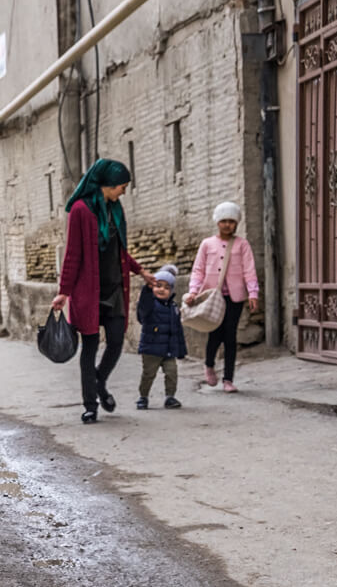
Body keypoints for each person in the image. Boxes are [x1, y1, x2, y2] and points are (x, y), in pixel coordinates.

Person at [52, 159, 155, 424]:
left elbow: (119, 251)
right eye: (121, 186)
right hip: (88, 292)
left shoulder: (115, 209)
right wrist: (64, 292)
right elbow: (73, 254)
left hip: (114, 290)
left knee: (117, 340)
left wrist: (140, 270)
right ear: (107, 184)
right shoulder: (80, 211)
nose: (124, 191)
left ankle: (98, 382)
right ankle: (90, 405)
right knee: (89, 347)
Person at [184, 202, 260, 393]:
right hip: (212, 296)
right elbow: (198, 269)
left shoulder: (242, 245)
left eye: (231, 222)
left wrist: (253, 293)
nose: (227, 225)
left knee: (230, 337)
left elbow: (249, 270)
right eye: (224, 221)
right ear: (217, 222)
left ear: (236, 224)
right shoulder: (207, 244)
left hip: (234, 299)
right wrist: (193, 291)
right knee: (214, 334)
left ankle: (228, 379)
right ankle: (209, 364)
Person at [135, 265, 188, 409]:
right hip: (151, 349)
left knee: (172, 373)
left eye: (166, 287)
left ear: (171, 291)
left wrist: (181, 350)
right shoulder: (149, 305)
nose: (161, 289)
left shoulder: (173, 307)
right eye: (158, 286)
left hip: (168, 350)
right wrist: (146, 288)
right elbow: (143, 306)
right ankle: (143, 397)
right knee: (148, 375)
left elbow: (177, 331)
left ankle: (170, 397)